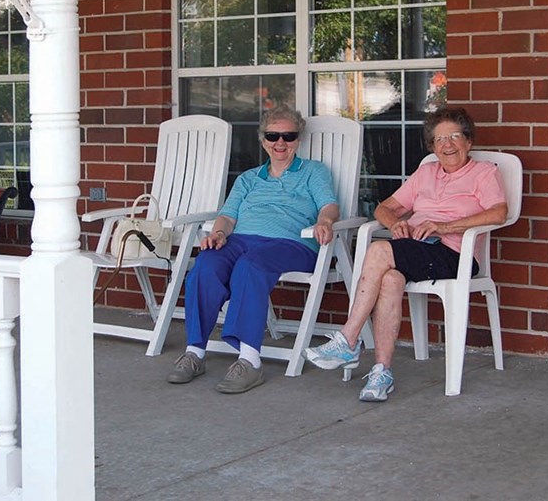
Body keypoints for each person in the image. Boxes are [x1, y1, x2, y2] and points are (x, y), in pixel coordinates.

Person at [304, 106, 507, 401]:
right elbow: (384, 208)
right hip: (414, 250)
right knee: (389, 280)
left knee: (378, 250)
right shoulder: (426, 172)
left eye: (454, 136)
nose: (447, 145)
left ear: (469, 141)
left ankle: (348, 339)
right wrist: (396, 223)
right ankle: (381, 373)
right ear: (432, 147)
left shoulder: (483, 173)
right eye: (439, 140)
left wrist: (444, 226)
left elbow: (499, 213)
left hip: (451, 255)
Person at [167, 105, 340, 394]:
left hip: (292, 243)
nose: (280, 142)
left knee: (250, 266)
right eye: (273, 136)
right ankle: (195, 352)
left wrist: (325, 221)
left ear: (298, 140)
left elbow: (329, 205)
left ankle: (249, 360)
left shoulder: (313, 171)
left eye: (288, 135)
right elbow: (228, 215)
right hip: (241, 241)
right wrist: (219, 233)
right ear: (263, 141)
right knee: (206, 265)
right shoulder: (248, 178)